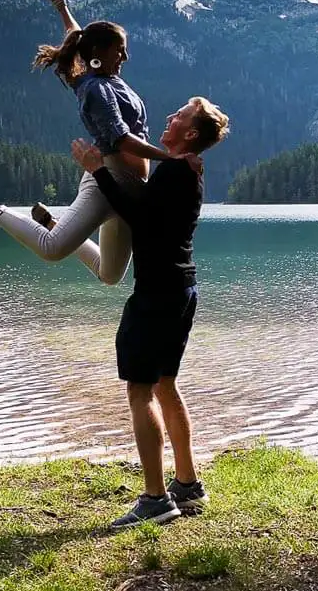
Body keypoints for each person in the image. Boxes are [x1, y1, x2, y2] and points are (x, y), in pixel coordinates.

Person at [0, 0, 196, 285]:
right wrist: (172, 159)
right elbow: (121, 139)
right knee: (52, 248)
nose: (125, 57)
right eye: (120, 51)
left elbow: (78, 36)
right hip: (108, 180)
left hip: (132, 189)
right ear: (100, 52)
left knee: (109, 275)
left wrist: (62, 8)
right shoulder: (97, 89)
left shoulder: (104, 77)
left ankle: (52, 222)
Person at [70, 96, 230, 530]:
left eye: (177, 116)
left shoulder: (178, 172)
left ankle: (156, 498)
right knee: (165, 385)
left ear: (190, 133)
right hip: (181, 288)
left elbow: (138, 216)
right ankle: (188, 484)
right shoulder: (183, 170)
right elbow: (148, 212)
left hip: (158, 293)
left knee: (140, 391)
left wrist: (96, 169)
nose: (169, 118)